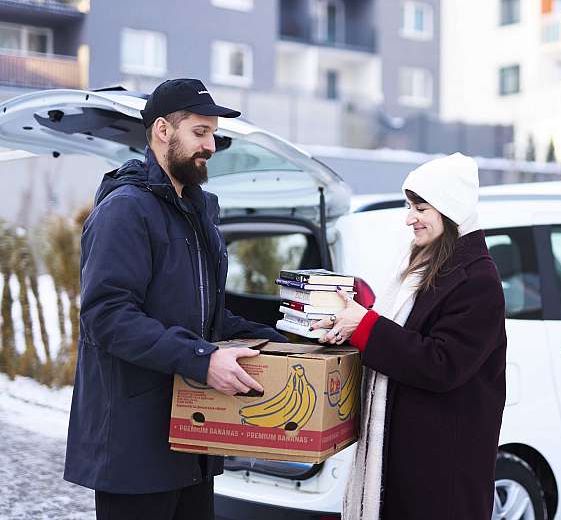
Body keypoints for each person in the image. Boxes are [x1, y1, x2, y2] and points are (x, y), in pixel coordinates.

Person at [64, 78, 286, 520]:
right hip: (134, 447)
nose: (211, 146)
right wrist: (202, 359)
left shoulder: (198, 209)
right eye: (199, 132)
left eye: (213, 135)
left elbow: (206, 317)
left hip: (193, 440)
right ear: (163, 130)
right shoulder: (126, 209)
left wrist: (286, 340)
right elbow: (108, 317)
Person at [312, 153, 507, 520]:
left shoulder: (477, 280)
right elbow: (402, 338)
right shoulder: (426, 265)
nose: (409, 218)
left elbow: (442, 364)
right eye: (409, 206)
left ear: (450, 208)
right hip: (411, 453)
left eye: (420, 208)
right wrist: (350, 329)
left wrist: (366, 326)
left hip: (443, 464)